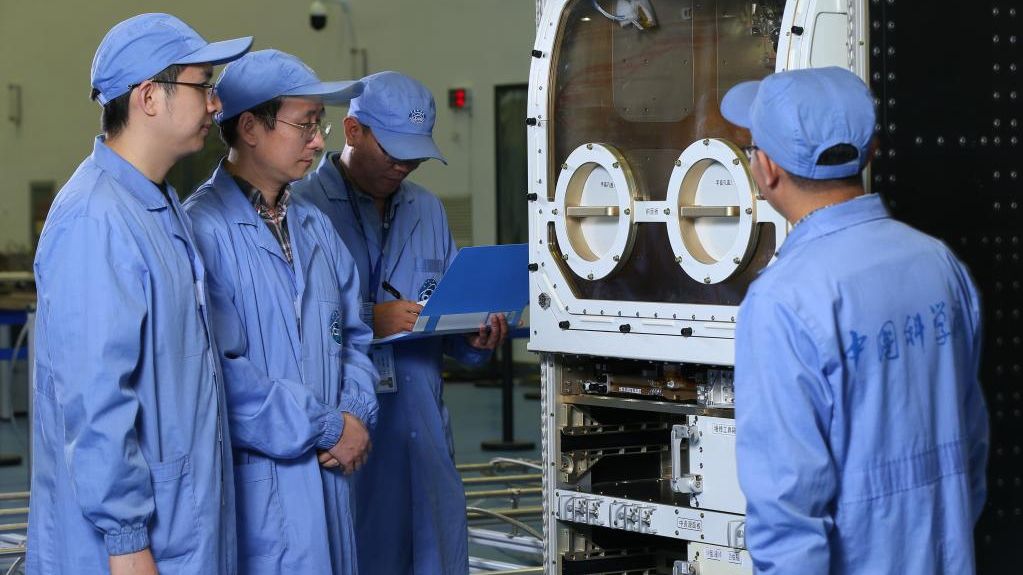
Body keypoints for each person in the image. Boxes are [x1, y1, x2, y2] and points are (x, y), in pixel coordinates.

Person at [722, 66, 989, 574]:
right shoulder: (939, 264)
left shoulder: (781, 300)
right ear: (871, 152)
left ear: (767, 169)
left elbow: (786, 515)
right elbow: (971, 451)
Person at [27, 13, 251, 575]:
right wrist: (125, 539)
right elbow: (95, 398)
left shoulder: (157, 204)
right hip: (127, 546)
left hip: (182, 524)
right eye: (203, 86)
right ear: (149, 96)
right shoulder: (95, 219)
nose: (216, 104)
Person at [293, 71, 508, 575]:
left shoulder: (427, 211)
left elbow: (448, 320)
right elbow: (288, 329)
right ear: (353, 132)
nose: (404, 166)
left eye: (415, 155)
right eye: (393, 152)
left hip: (422, 433)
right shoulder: (303, 209)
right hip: (348, 434)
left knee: (434, 554)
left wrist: (475, 337)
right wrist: (371, 320)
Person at [182, 49, 378, 575]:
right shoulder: (202, 231)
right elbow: (221, 376)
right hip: (262, 491)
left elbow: (354, 334)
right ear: (250, 127)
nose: (318, 142)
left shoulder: (314, 226)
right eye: (305, 125)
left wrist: (356, 414)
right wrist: (327, 426)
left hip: (331, 476)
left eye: (319, 125)